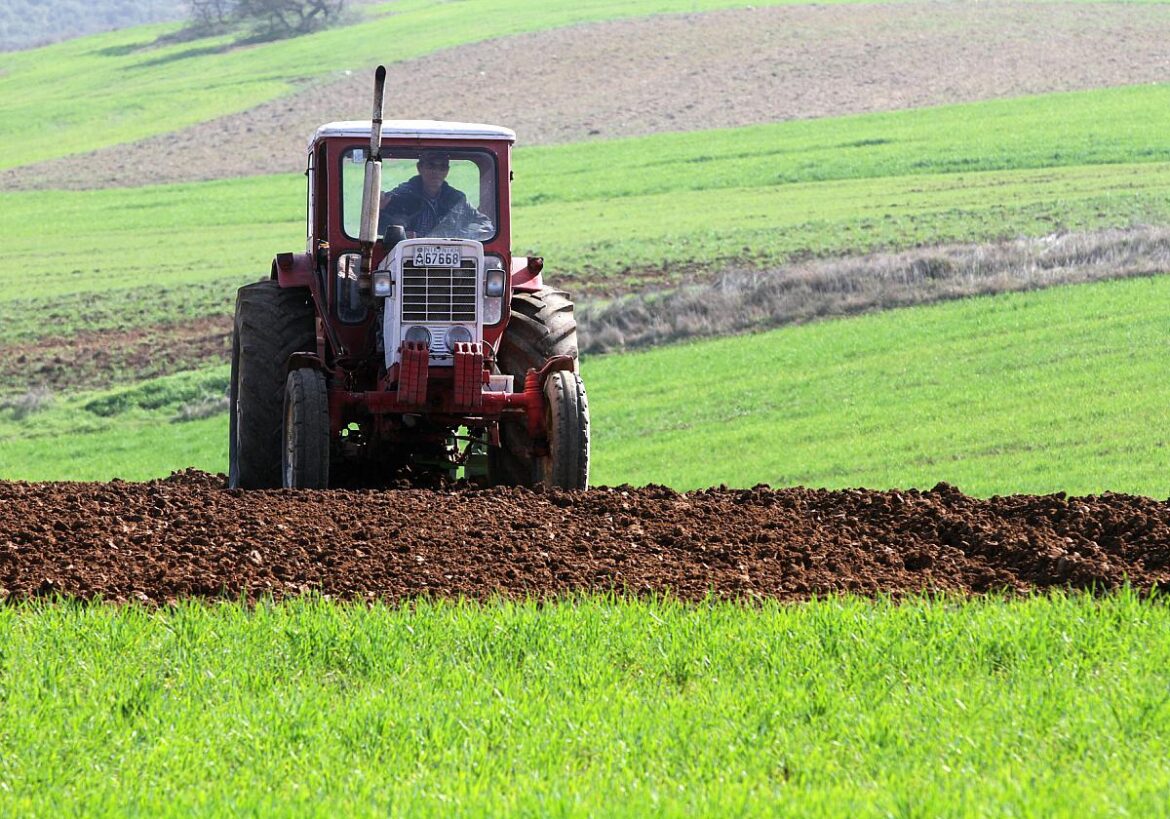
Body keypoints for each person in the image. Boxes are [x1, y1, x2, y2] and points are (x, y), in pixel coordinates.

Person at [378, 151, 493, 240]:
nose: (436, 172)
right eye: (431, 166)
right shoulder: (400, 197)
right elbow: (378, 228)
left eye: (442, 167)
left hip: (452, 260)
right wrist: (401, 234)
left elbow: (486, 226)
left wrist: (457, 236)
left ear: (447, 171)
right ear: (420, 168)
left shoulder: (457, 200)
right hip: (407, 257)